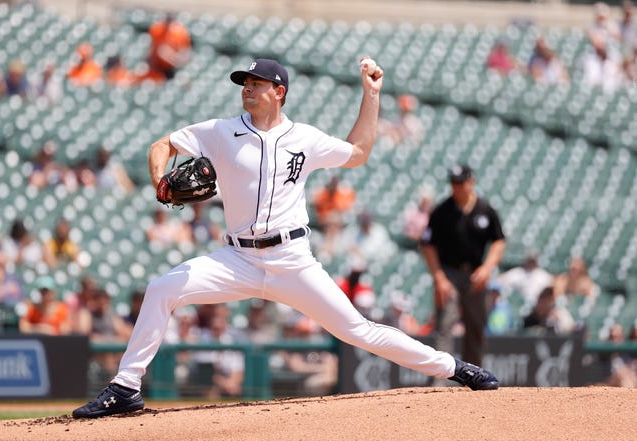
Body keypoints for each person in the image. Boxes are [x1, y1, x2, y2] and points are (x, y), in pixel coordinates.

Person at [73, 57, 499, 419]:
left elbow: (359, 152)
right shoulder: (221, 130)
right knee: (162, 288)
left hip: (291, 259)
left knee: (359, 330)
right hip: (236, 259)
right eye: (245, 84)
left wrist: (371, 95)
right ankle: (126, 387)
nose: (247, 89)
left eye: (256, 84)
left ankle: (456, 368)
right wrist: (159, 181)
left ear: (279, 91)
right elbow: (161, 145)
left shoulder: (305, 139)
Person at [421, 164, 506, 367]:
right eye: (453, 183)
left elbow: (499, 241)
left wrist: (487, 268)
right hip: (449, 273)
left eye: (460, 182)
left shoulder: (486, 210)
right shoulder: (442, 211)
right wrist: (439, 278)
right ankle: (442, 378)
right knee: (444, 325)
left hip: (476, 274)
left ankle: (474, 376)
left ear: (471, 182)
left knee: (476, 326)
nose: (456, 187)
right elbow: (427, 244)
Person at [146, 12, 192, 80]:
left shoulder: (180, 32)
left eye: (170, 19)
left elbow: (186, 54)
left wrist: (171, 56)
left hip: (173, 69)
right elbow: (152, 50)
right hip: (157, 66)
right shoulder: (156, 29)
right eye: (167, 19)